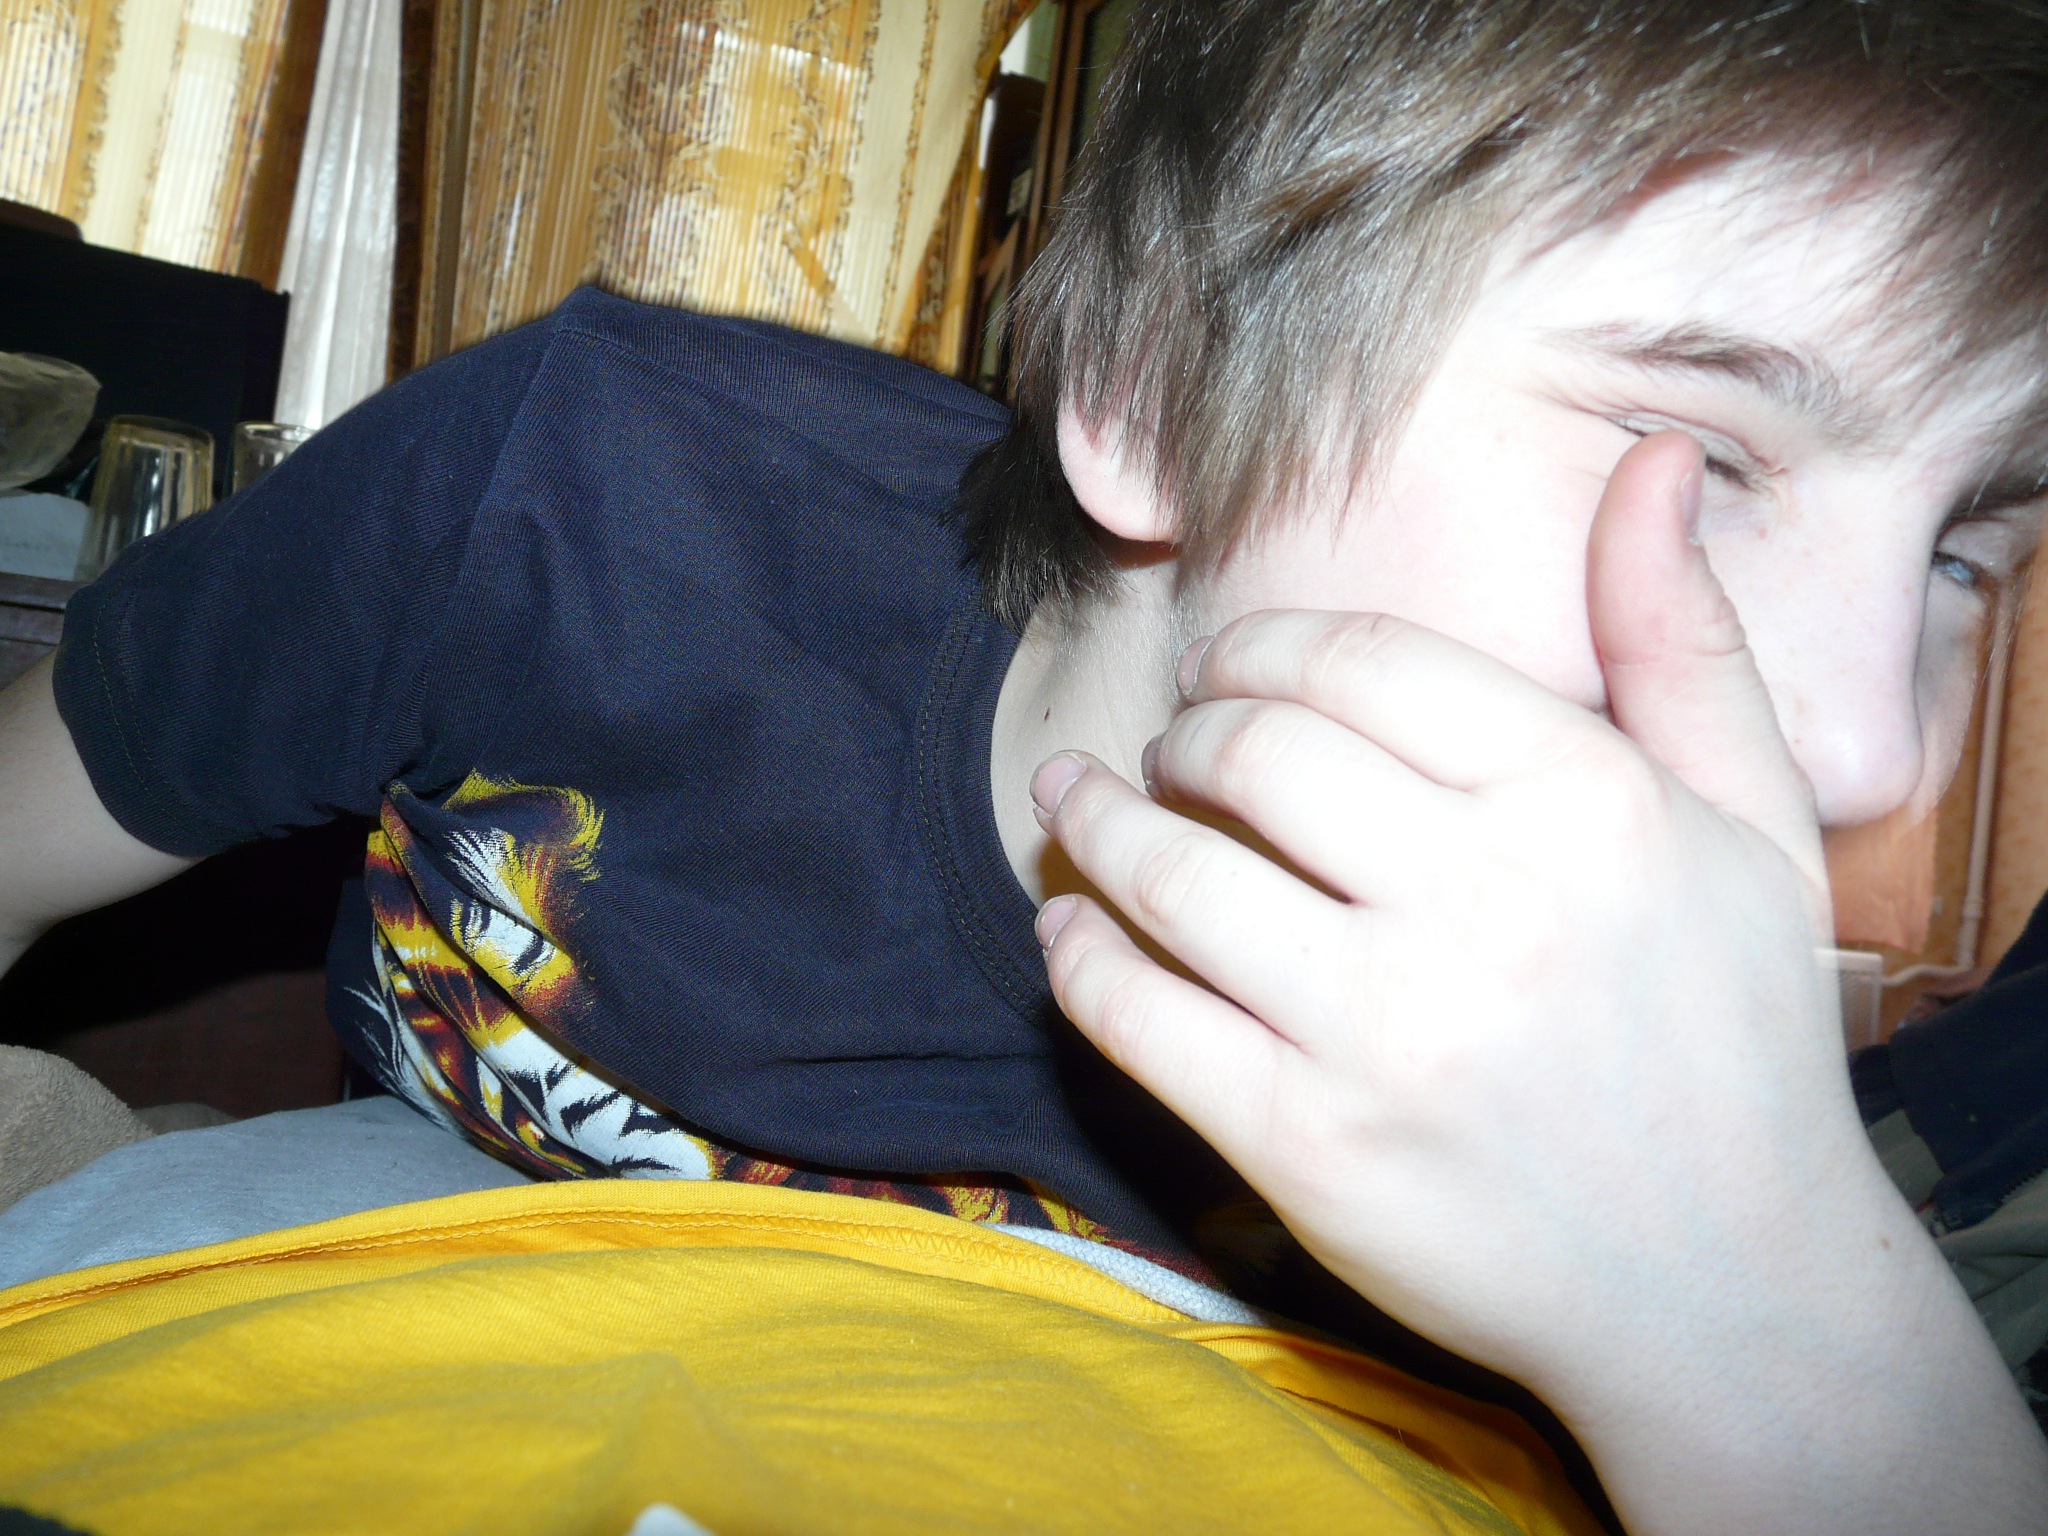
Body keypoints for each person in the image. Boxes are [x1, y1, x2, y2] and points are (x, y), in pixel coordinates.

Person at [2, 0, 2046, 1529]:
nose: (1867, 748)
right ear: (1152, 394)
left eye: (1966, 548)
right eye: (1699, 454)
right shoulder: (577, 500)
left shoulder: (1651, 1027)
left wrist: (1770, 1345)